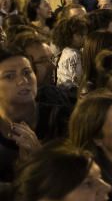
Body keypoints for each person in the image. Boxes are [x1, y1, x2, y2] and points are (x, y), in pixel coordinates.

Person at [0, 46, 71, 182]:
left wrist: (40, 158)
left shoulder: (62, 118)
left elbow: (75, 179)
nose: (23, 81)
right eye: (9, 76)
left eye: (27, 72)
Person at [52, 15, 88, 89]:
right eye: (81, 35)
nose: (85, 37)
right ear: (69, 37)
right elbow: (76, 79)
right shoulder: (72, 55)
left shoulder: (67, 52)